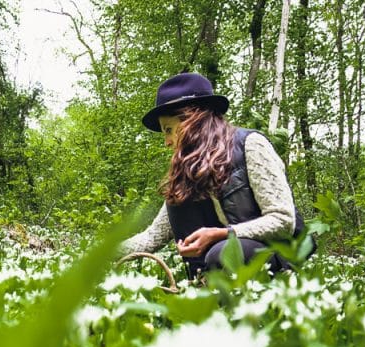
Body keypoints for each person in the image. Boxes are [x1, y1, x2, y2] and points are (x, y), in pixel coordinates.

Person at [119, 72, 304, 278]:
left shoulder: (251, 145)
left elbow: (283, 220)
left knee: (222, 253)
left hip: (272, 259)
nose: (167, 142)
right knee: (179, 194)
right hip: (217, 265)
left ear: (192, 120)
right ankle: (201, 283)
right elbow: (152, 237)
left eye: (169, 130)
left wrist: (223, 234)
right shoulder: (187, 172)